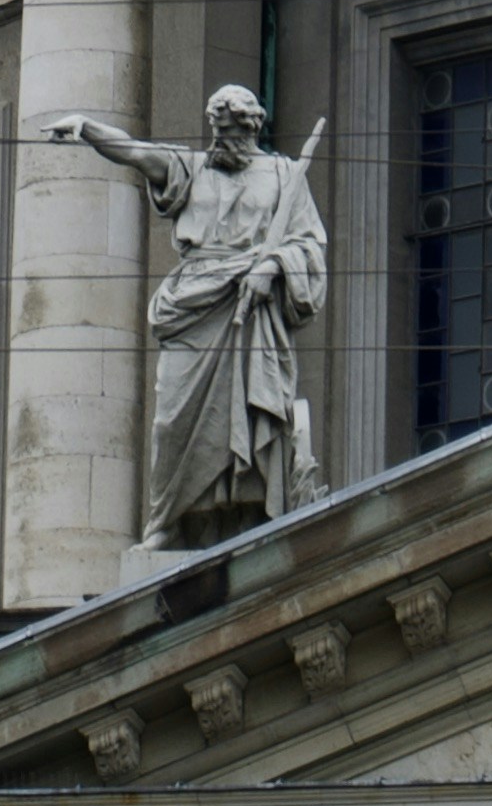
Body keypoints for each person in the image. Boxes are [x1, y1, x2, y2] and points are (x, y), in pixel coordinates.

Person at [49, 82, 327, 542]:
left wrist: (273, 266)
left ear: (250, 130)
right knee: (172, 421)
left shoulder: (284, 176)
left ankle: (248, 514)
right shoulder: (193, 168)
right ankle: (169, 521)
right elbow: (138, 153)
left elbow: (310, 247)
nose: (220, 142)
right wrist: (88, 128)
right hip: (192, 303)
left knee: (251, 414)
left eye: (229, 132)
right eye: (216, 131)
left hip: (253, 309)